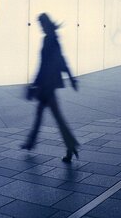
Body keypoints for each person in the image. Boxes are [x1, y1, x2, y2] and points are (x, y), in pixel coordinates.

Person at [22, 13, 79, 163]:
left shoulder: (50, 40)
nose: (40, 27)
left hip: (47, 85)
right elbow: (60, 61)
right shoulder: (51, 38)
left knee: (53, 117)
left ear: (46, 24)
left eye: (41, 24)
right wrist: (71, 78)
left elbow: (56, 61)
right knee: (44, 115)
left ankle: (69, 145)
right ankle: (32, 142)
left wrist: (35, 83)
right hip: (48, 84)